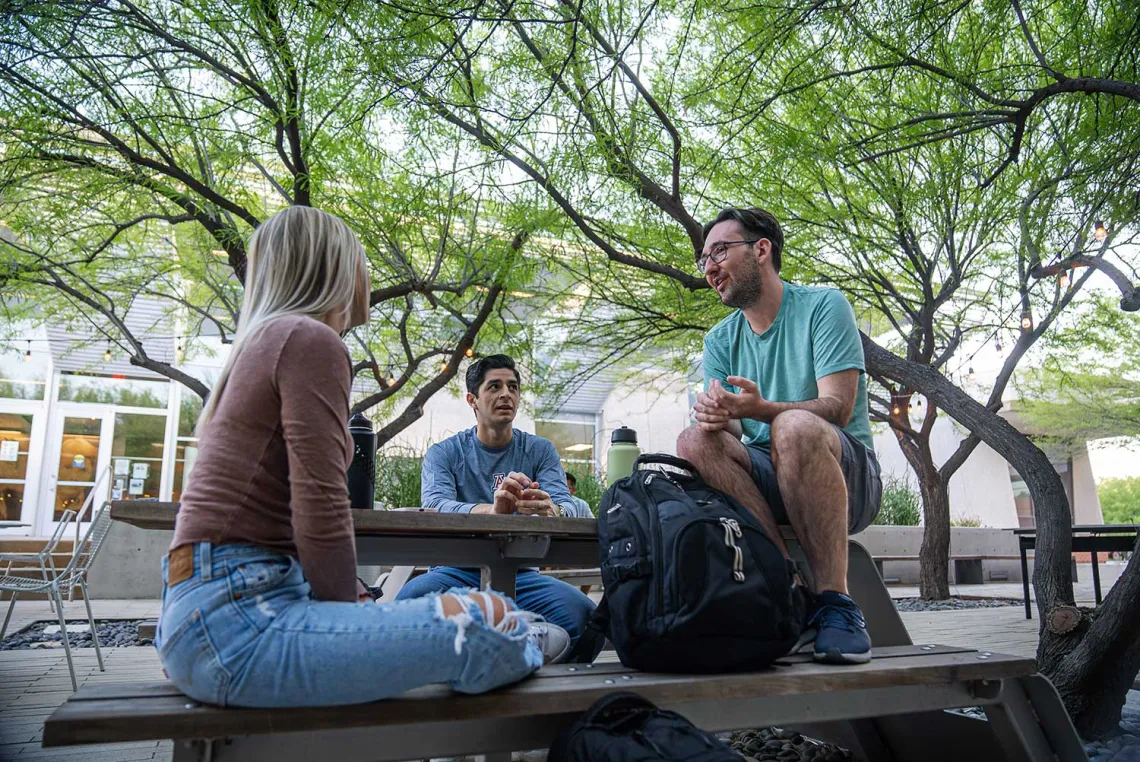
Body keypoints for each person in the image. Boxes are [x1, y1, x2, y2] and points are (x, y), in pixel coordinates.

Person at [155, 207, 562, 709]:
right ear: (334, 267)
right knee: (487, 622)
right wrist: (358, 615)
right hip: (240, 621)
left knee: (466, 620)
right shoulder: (309, 340)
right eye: (361, 257)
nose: (368, 272)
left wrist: (361, 605)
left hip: (214, 612)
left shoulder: (268, 341)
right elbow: (321, 511)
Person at [676, 207, 882, 665]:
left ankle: (836, 604)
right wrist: (717, 414)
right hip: (770, 477)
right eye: (703, 259)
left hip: (847, 472)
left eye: (719, 251)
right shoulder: (719, 340)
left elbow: (837, 408)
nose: (709, 267)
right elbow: (728, 431)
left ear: (761, 250)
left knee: (793, 425)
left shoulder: (824, 306)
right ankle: (782, 588)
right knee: (693, 441)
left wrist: (763, 410)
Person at [399, 354, 602, 662]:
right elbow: (436, 506)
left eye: (513, 387)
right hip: (453, 572)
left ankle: (529, 676)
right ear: (473, 400)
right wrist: (493, 512)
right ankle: (498, 653)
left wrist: (551, 511)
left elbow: (565, 504)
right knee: (403, 610)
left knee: (588, 620)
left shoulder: (539, 449)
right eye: (494, 386)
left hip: (521, 573)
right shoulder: (444, 453)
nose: (506, 394)